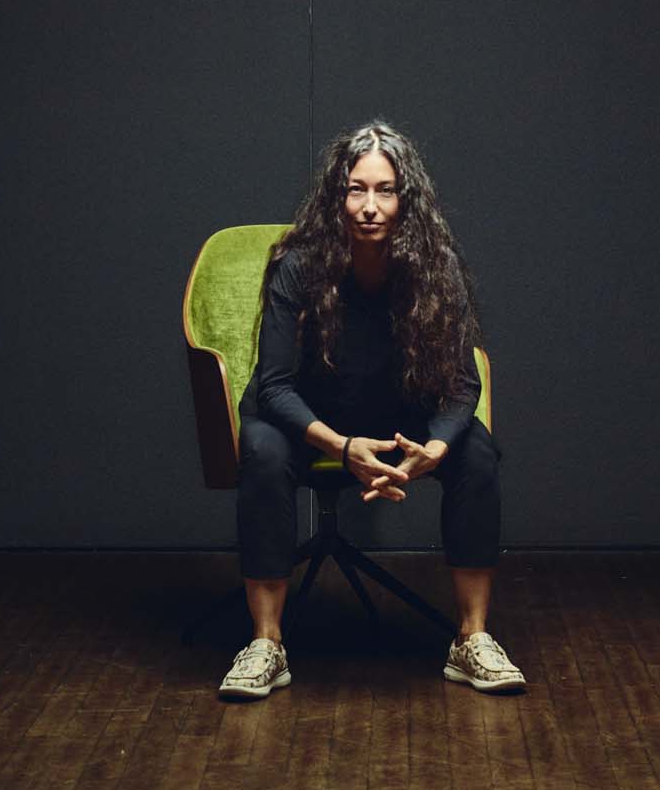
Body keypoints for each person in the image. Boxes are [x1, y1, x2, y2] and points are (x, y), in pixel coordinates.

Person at [219, 120, 524, 701]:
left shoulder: (439, 271)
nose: (369, 206)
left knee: (476, 450)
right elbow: (275, 387)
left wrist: (432, 450)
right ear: (336, 198)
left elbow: (463, 384)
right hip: (303, 419)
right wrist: (339, 446)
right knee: (260, 448)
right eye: (355, 189)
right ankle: (265, 643)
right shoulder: (298, 267)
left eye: (385, 190)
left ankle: (472, 639)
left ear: (407, 200)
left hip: (393, 420)